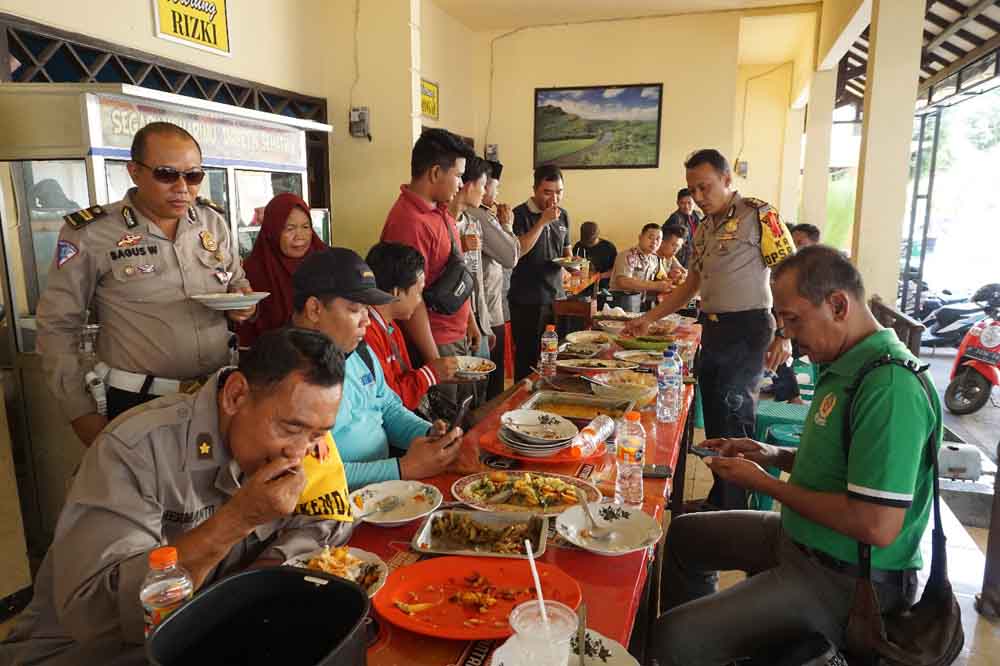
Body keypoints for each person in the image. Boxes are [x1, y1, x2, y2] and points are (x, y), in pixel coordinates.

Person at [651, 246, 938, 666]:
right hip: (801, 538)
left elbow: (875, 524)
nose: (784, 333)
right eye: (779, 320)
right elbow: (841, 464)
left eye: (792, 319)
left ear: (838, 304)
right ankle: (717, 644)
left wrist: (764, 484)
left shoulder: (889, 385)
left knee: (671, 639)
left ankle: (694, 644)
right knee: (684, 536)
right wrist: (771, 453)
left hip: (846, 576)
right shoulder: (844, 361)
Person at [0, 328, 353, 665]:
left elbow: (324, 522)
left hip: (208, 637)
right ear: (235, 396)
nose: (298, 452)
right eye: (289, 429)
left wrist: (256, 584)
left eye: (317, 434)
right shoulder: (137, 450)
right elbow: (95, 616)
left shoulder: (306, 436)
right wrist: (237, 521)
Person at [36, 121, 256, 446]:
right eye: (167, 174)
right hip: (139, 403)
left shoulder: (211, 222)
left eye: (193, 176)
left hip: (217, 394)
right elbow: (57, 327)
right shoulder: (92, 233)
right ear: (135, 172)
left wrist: (243, 301)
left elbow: (237, 281)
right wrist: (80, 412)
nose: (183, 187)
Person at [625, 149, 794, 510]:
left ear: (728, 179)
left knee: (734, 416)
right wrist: (648, 319)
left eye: (705, 187)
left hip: (748, 327)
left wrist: (785, 333)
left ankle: (734, 511)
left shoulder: (759, 214)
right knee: (716, 422)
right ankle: (721, 498)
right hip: (713, 329)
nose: (698, 197)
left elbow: (789, 273)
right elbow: (691, 285)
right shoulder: (702, 228)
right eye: (692, 190)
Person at [290, 248, 462, 489]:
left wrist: (427, 433)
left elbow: (388, 408)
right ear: (314, 310)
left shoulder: (360, 352)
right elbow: (311, 476)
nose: (366, 321)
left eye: (366, 309)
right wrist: (402, 468)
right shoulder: (289, 377)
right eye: (354, 309)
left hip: (383, 489)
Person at [381, 129, 477, 409]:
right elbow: (410, 297)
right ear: (436, 173)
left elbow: (455, 268)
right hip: (435, 341)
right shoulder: (409, 222)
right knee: (443, 419)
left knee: (463, 413)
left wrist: (469, 321)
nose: (461, 184)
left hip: (455, 334)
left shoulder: (440, 211)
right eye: (458, 175)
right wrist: (434, 360)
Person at [363, 242, 458, 410]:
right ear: (396, 291)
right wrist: (429, 374)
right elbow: (389, 402)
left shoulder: (390, 325)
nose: (420, 300)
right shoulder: (367, 334)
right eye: (418, 292)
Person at [238, 192, 328, 347]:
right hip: (275, 360)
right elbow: (247, 328)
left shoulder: (326, 262)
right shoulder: (253, 270)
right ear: (272, 230)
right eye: (290, 228)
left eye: (306, 227)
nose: (300, 236)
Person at [509, 165, 572, 380]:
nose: (554, 198)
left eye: (559, 192)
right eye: (547, 192)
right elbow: (518, 251)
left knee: (554, 357)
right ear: (535, 189)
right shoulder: (519, 215)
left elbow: (567, 253)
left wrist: (572, 265)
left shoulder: (563, 215)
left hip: (557, 297)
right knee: (528, 361)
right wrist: (543, 221)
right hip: (528, 300)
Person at [464, 160, 520, 400]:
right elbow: (511, 256)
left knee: (488, 386)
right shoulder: (478, 217)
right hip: (483, 313)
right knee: (491, 391)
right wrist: (507, 225)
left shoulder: (480, 216)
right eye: (491, 186)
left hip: (485, 312)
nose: (496, 193)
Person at [451, 156, 494, 359]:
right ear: (467, 185)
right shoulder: (440, 224)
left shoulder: (473, 224)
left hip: (477, 318)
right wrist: (460, 244)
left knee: (481, 384)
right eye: (483, 185)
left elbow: (476, 278)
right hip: (453, 323)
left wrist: (485, 324)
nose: (485, 192)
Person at [610, 223, 669, 312]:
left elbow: (662, 278)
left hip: (642, 305)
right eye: (650, 237)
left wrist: (670, 280)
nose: (654, 242)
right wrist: (655, 286)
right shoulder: (628, 255)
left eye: (658, 239)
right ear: (640, 237)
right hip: (621, 305)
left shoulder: (655, 259)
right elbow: (623, 281)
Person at [572, 221, 618, 300]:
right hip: (582, 288)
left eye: (591, 243)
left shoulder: (609, 248)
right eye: (585, 243)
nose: (588, 245)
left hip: (603, 289)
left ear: (597, 235)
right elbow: (574, 268)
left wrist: (599, 276)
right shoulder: (578, 246)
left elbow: (616, 270)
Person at [664, 187, 702, 269]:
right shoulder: (675, 218)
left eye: (689, 203)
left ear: (694, 202)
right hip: (680, 260)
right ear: (677, 203)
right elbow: (668, 244)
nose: (686, 206)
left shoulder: (699, 215)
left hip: (697, 257)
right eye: (683, 203)